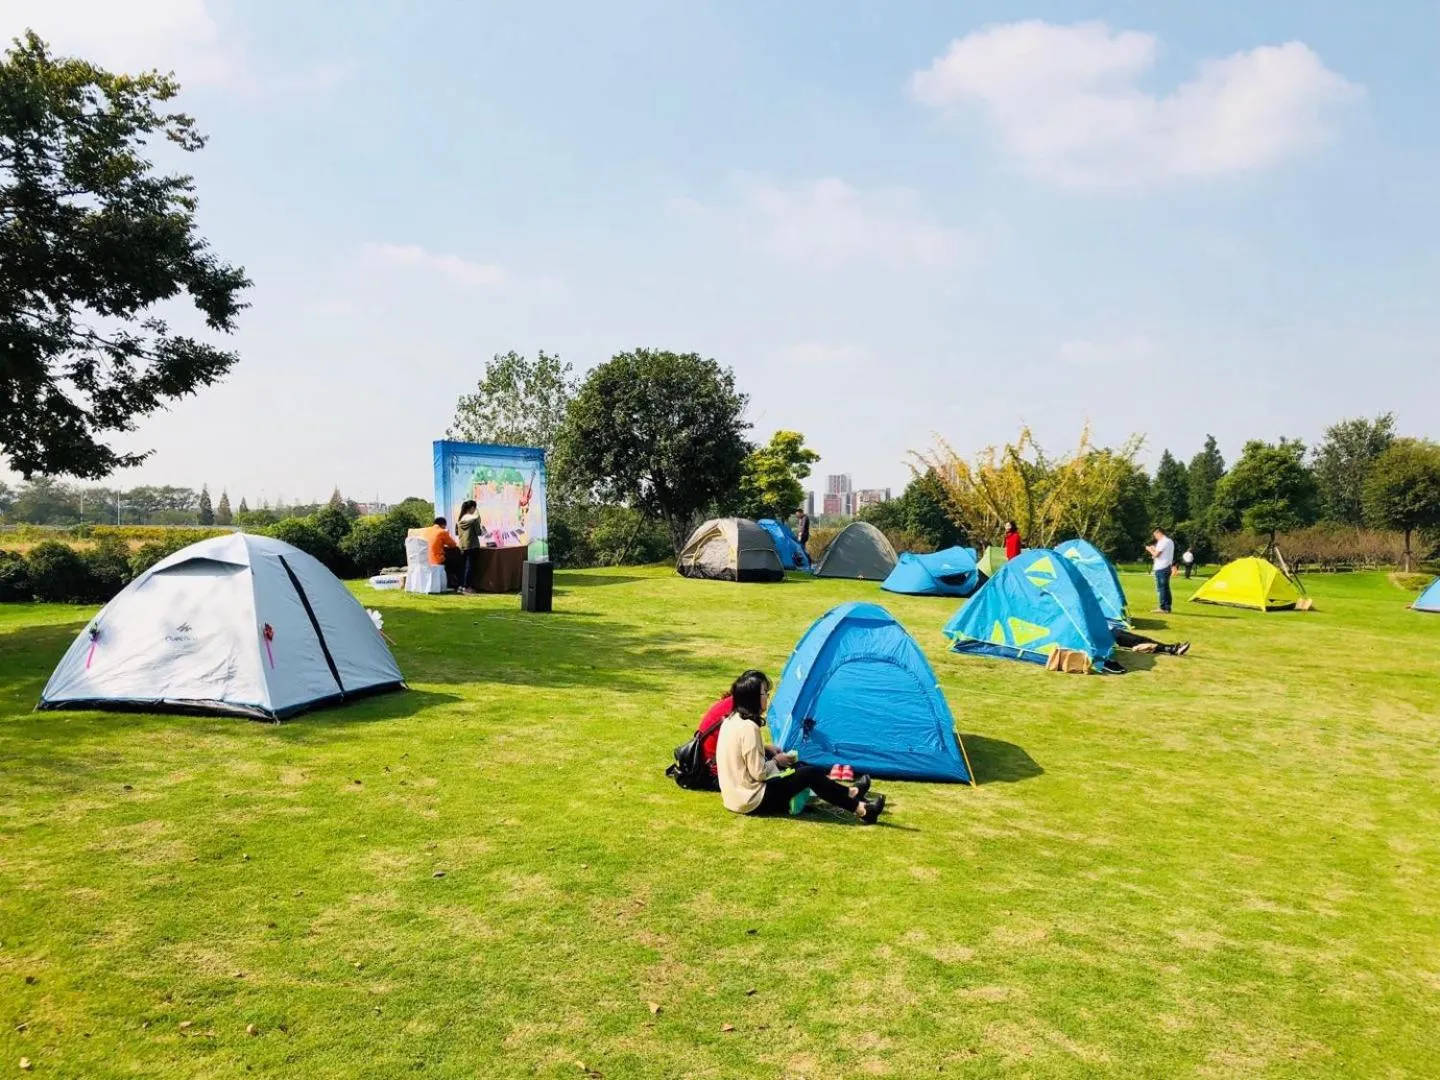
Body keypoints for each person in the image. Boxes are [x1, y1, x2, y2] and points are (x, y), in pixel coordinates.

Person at [716, 670, 885, 823]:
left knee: (800, 768)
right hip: (752, 800)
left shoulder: (731, 720)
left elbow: (739, 752)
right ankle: (862, 810)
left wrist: (767, 748)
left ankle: (851, 793)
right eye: (764, 693)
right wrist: (777, 760)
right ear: (753, 697)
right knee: (808, 774)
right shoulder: (749, 728)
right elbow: (759, 773)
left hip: (734, 796)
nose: (767, 697)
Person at [421, 516, 462, 588]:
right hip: (436, 560)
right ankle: (457, 583)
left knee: (450, 559)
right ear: (443, 525)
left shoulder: (425, 531)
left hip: (425, 559)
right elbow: (453, 545)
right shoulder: (442, 531)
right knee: (456, 559)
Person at [455, 500, 484, 594]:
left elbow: (456, 533)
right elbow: (479, 532)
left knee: (463, 567)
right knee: (470, 567)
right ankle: (467, 587)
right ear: (472, 508)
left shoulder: (460, 520)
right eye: (475, 508)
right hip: (472, 545)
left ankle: (461, 586)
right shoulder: (474, 519)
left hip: (462, 546)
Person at [1145, 527, 1175, 613]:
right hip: (1166, 566)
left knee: (1161, 588)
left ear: (1159, 533)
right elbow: (1160, 554)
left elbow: (1156, 555)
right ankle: (1167, 607)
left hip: (1161, 567)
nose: (1155, 537)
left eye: (1155, 535)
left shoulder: (1162, 542)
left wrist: (1150, 549)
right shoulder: (1170, 541)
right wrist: (1154, 550)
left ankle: (1163, 608)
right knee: (1166, 588)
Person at [1113, 628, 1190, 656]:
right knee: (1138, 641)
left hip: (1111, 632)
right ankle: (1170, 649)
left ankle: (1170, 648)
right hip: (1110, 637)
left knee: (1143, 639)